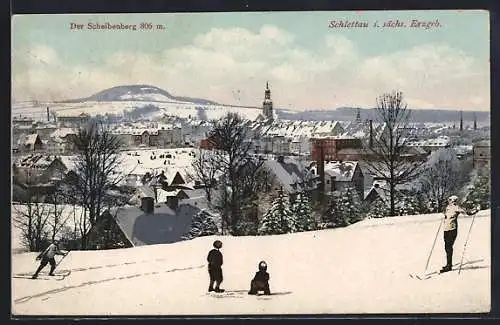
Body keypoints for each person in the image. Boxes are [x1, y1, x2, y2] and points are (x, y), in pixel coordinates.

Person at [440, 195, 478, 273]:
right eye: (449, 199)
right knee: (447, 247)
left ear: (454, 201)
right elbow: (444, 212)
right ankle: (448, 264)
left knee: (449, 247)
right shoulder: (448, 207)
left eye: (450, 200)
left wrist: (475, 211)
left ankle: (449, 266)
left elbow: (467, 212)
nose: (449, 201)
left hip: (452, 230)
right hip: (446, 229)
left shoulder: (457, 207)